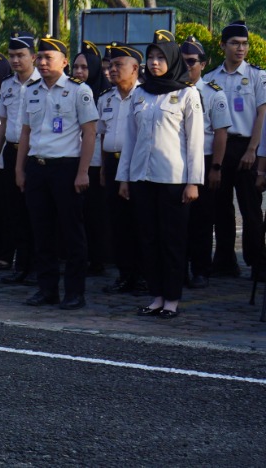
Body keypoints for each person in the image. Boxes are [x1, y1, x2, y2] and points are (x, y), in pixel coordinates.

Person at [117, 34, 204, 319]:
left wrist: (193, 182)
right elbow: (129, 139)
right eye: (151, 58)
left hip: (173, 180)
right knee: (148, 239)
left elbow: (194, 143)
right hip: (142, 178)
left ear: (173, 60)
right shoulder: (140, 94)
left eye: (161, 58)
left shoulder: (187, 94)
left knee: (172, 241)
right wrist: (125, 178)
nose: (155, 63)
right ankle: (156, 296)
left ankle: (172, 299)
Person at [13, 37, 98, 309]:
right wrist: (19, 168)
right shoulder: (32, 91)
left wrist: (83, 171)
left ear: (64, 61)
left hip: (67, 167)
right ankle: (46, 289)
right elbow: (26, 132)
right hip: (37, 167)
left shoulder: (78, 90)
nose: (43, 62)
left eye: (49, 57)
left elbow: (90, 132)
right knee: (42, 231)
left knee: (72, 233)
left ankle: (75, 292)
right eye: (40, 57)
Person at [204, 22, 265, 279]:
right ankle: (225, 261)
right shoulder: (211, 79)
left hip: (246, 145)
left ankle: (258, 262)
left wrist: (253, 149)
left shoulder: (257, 76)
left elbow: (262, 113)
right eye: (235, 43)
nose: (241, 48)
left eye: (244, 43)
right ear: (222, 46)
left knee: (251, 209)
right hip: (221, 146)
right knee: (221, 207)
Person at [179, 36, 231, 289]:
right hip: (178, 162)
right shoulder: (172, 92)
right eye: (182, 61)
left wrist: (216, 168)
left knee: (201, 220)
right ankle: (179, 269)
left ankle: (201, 269)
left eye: (191, 62)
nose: (187, 66)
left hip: (205, 159)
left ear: (203, 63)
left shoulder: (212, 93)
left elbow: (221, 133)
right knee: (179, 221)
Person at [98, 43, 147, 296]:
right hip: (114, 163)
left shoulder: (145, 96)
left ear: (135, 68)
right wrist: (105, 169)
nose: (112, 69)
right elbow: (102, 136)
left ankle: (141, 275)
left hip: (138, 165)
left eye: (119, 65)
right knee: (117, 223)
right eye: (111, 65)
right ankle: (124, 274)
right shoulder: (106, 98)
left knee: (138, 221)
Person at [0, 36, 41, 284]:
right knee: (14, 212)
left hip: (35, 153)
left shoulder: (43, 83)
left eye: (20, 55)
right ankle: (21, 265)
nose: (15, 60)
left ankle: (37, 266)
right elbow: (1, 123)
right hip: (11, 152)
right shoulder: (8, 86)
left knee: (35, 211)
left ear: (33, 57)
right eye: (11, 55)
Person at [73, 43, 111, 275]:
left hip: (96, 163)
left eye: (84, 68)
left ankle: (98, 258)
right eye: (76, 67)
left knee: (96, 215)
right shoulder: (68, 91)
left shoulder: (104, 95)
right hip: (74, 161)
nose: (79, 72)